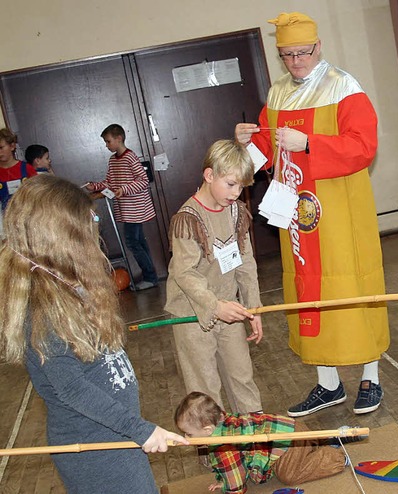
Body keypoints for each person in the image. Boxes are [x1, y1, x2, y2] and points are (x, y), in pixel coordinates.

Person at [234, 12, 389, 417]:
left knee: (351, 287)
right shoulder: (279, 94)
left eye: (303, 52)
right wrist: (243, 145)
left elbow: (363, 147)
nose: (296, 61)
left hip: (339, 209)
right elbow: (264, 157)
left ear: (318, 47)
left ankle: (370, 376)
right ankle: (329, 384)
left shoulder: (343, 87)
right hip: (298, 216)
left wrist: (309, 143)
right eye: (287, 55)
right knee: (308, 290)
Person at [0, 174, 189, 493]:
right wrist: (139, 429)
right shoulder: (44, 309)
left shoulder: (67, 283)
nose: (94, 227)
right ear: (59, 238)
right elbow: (72, 388)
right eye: (87, 224)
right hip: (96, 451)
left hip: (115, 438)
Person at [164, 139, 263, 414]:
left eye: (242, 186)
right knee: (204, 388)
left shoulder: (236, 212)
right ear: (209, 175)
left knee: (242, 376)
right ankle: (217, 450)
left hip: (229, 309)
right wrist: (214, 306)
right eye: (231, 184)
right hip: (193, 315)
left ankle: (255, 437)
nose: (236, 193)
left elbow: (246, 262)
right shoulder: (187, 218)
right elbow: (184, 272)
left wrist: (253, 309)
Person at [174, 391, 347, 493]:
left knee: (290, 475)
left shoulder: (224, 446)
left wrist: (231, 486)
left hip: (289, 439)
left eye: (188, 433)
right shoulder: (220, 422)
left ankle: (335, 455)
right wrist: (223, 480)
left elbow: (236, 480)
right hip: (289, 432)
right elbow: (231, 469)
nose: (186, 438)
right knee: (293, 460)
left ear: (207, 431)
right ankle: (320, 443)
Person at [86, 124, 158, 290]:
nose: (107, 145)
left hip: (136, 209)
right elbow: (110, 182)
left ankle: (150, 276)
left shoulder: (130, 157)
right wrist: (95, 186)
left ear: (119, 139)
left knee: (132, 242)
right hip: (127, 209)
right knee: (138, 242)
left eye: (108, 141)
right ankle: (151, 276)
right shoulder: (113, 160)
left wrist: (124, 189)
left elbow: (143, 180)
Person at [0, 128, 37, 211]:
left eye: (1, 148)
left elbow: (38, 193)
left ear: (12, 146)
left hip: (28, 213)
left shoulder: (27, 168)